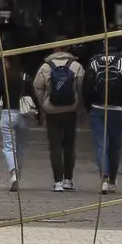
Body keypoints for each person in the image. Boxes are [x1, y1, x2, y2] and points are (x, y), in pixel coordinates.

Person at [83, 36, 122, 193]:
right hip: (117, 109)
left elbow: (87, 85)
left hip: (97, 107)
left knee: (101, 144)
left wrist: (88, 106)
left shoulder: (94, 61)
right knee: (115, 146)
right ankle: (112, 180)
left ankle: (103, 177)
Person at [32, 44, 83, 190]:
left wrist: (43, 105)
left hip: (52, 111)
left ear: (54, 50)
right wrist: (79, 106)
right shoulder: (76, 66)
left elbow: (37, 87)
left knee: (55, 146)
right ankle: (68, 179)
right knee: (69, 145)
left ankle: (58, 182)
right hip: (71, 110)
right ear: (68, 49)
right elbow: (82, 87)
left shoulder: (45, 67)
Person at [0, 53, 36, 192]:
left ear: (8, 61)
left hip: (8, 113)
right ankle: (18, 175)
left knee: (9, 147)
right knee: (21, 147)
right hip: (23, 115)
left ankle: (14, 174)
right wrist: (39, 112)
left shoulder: (2, 76)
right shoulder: (24, 76)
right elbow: (32, 94)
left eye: (4, 60)